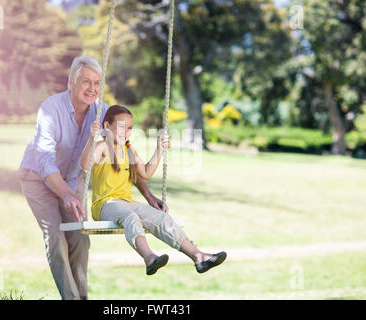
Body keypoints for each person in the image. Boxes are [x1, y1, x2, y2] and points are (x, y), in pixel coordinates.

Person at [17, 57, 167, 300]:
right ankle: (71, 298)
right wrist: (65, 193)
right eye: (86, 81)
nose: (92, 88)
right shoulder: (50, 109)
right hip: (38, 178)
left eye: (97, 83)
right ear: (71, 82)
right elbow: (45, 160)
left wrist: (148, 196)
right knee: (55, 236)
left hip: (73, 178)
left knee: (80, 239)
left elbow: (123, 155)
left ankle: (82, 297)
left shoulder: (102, 112)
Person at [81, 105, 227, 275]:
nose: (125, 132)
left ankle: (198, 257)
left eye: (129, 128)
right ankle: (149, 257)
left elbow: (146, 173)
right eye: (121, 127)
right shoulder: (102, 146)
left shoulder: (129, 150)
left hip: (127, 203)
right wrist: (91, 138)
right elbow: (85, 165)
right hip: (105, 205)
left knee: (161, 217)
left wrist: (159, 150)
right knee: (130, 217)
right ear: (107, 126)